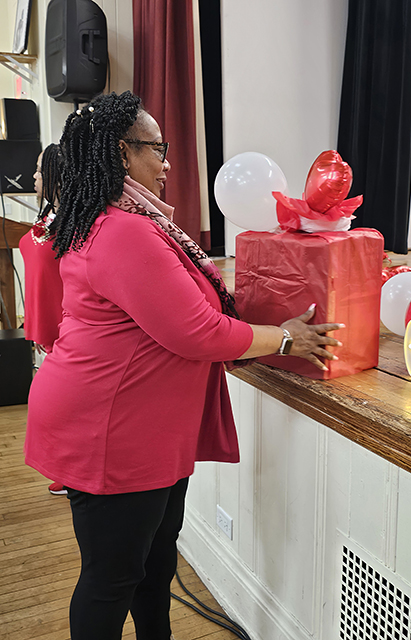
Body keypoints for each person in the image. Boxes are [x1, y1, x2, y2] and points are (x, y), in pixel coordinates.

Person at [24, 91, 344, 640]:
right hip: (109, 431)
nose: (168, 163)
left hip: (141, 428)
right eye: (158, 148)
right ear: (122, 153)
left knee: (154, 565)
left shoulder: (129, 220)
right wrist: (286, 339)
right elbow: (197, 331)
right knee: (111, 579)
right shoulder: (121, 229)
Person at [19, 143, 66, 496]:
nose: (34, 177)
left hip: (65, 328)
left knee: (63, 408)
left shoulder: (74, 224)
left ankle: (73, 473)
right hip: (44, 324)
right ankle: (69, 471)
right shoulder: (50, 218)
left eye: (39, 170)